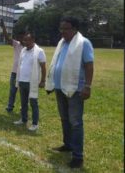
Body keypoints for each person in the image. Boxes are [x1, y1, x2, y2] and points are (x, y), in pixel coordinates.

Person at [46, 16, 94, 168]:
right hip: (60, 88)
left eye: (66, 28)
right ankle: (67, 145)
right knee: (64, 119)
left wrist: (87, 86)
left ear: (75, 29)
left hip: (75, 89)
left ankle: (78, 156)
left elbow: (89, 65)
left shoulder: (83, 43)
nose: (63, 32)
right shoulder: (62, 43)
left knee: (76, 122)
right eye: (61, 28)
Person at [13, 33, 46, 131]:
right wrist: (18, 79)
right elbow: (20, 65)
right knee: (23, 102)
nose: (25, 42)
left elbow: (43, 67)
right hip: (22, 81)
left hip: (32, 82)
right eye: (24, 40)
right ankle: (23, 119)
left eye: (27, 40)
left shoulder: (39, 51)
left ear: (33, 40)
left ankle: (35, 123)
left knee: (33, 102)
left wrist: (43, 80)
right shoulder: (23, 51)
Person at [1, 19, 24, 113]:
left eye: (23, 36)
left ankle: (23, 108)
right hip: (15, 72)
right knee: (12, 91)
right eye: (20, 37)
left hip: (25, 73)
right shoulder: (17, 44)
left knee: (24, 92)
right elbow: (7, 39)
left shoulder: (30, 47)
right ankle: (10, 106)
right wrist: (3, 28)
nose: (21, 38)